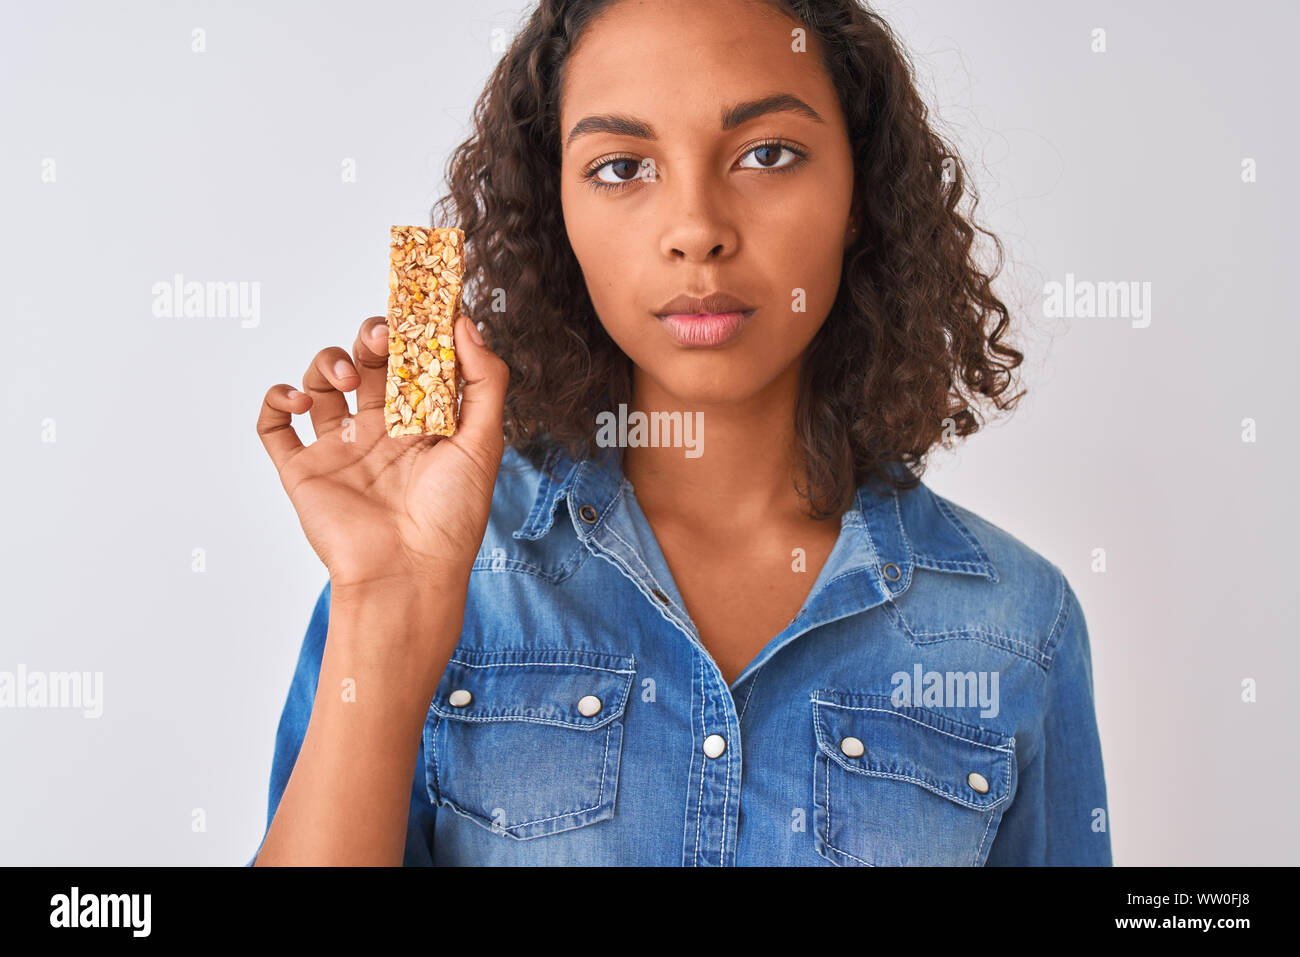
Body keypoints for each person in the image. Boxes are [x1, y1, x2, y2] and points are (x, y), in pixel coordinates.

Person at [250, 0, 1111, 866]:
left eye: (766, 155)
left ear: (861, 192)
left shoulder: (1017, 623)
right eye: (622, 166)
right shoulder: (439, 560)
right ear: (558, 214)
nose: (697, 228)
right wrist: (387, 602)